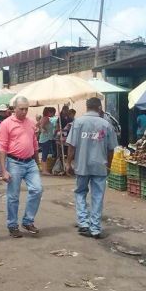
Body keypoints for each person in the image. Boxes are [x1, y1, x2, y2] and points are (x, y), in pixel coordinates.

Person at [66, 97, 118, 239]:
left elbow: (71, 146)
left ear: (87, 107)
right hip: (100, 166)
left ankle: (83, 223)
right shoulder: (106, 125)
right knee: (97, 197)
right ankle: (95, 228)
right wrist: (109, 165)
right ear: (99, 108)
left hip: (82, 165)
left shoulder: (78, 123)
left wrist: (68, 163)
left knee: (80, 193)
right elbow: (111, 149)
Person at [0, 96, 43, 238]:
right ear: (14, 109)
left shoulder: (30, 123)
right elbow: (2, 148)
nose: (24, 111)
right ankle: (12, 225)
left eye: (26, 109)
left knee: (37, 189)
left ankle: (28, 221)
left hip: (30, 163)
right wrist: (3, 170)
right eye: (21, 109)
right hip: (14, 163)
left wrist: (38, 163)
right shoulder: (6, 124)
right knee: (13, 196)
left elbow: (34, 144)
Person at [38, 107, 56, 175]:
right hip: (46, 139)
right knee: (44, 154)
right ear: (49, 112)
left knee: (44, 154)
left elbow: (38, 125)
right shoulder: (46, 118)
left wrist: (43, 128)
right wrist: (44, 130)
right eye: (53, 112)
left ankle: (44, 169)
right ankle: (44, 170)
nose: (53, 114)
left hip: (44, 139)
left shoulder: (43, 118)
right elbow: (41, 126)